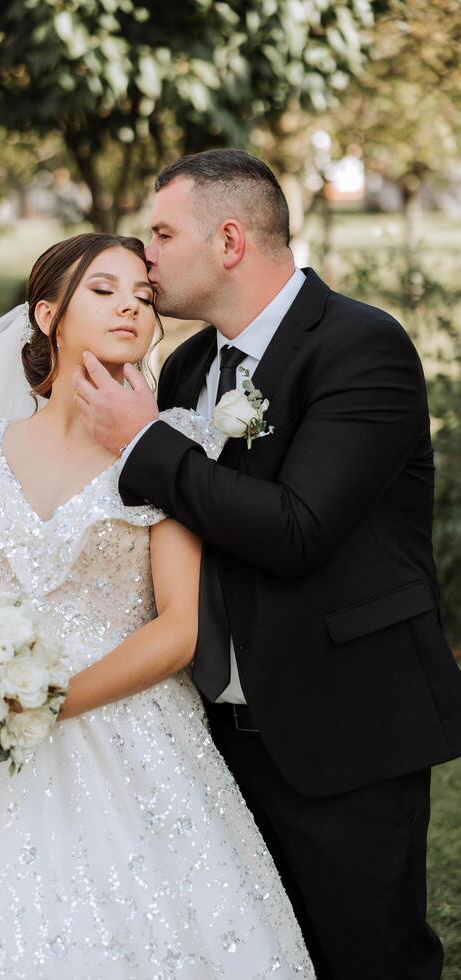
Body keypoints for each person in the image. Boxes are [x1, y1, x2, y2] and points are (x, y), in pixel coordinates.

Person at [0, 232, 314, 978]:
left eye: (143, 297)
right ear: (47, 314)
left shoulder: (167, 446)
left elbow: (178, 629)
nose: (130, 308)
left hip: (125, 726)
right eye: (104, 290)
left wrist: (47, 702)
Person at [73, 149, 461, 980]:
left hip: (344, 723)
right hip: (211, 734)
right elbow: (157, 529)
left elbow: (298, 529)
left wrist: (144, 442)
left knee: (367, 956)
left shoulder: (362, 347)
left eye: (162, 233)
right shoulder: (182, 369)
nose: (146, 257)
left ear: (230, 241)